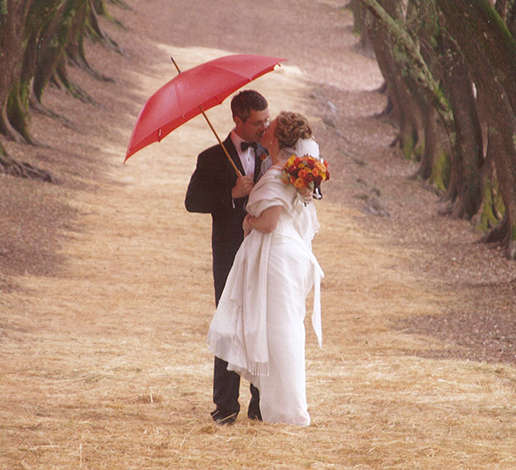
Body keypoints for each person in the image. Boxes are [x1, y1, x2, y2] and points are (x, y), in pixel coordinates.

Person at [207, 111, 325, 426]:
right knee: (280, 327)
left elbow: (270, 223)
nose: (265, 127)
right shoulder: (287, 171)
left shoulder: (279, 174)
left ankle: (284, 407)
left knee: (278, 330)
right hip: (285, 255)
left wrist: (249, 221)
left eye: (269, 126)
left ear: (275, 137)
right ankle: (278, 403)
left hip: (275, 256)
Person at [185, 90, 270, 425]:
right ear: (238, 119)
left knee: (262, 322)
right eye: (258, 123)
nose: (265, 129)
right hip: (228, 252)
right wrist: (230, 194)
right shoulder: (210, 158)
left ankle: (261, 402)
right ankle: (225, 403)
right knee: (228, 324)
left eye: (266, 121)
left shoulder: (271, 152)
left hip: (265, 252)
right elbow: (192, 201)